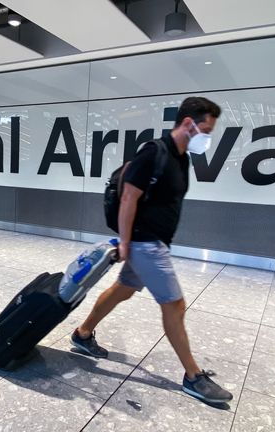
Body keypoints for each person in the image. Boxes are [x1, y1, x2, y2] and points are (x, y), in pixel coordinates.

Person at [71, 97, 233, 404]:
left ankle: (81, 334)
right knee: (175, 305)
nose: (208, 136)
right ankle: (192, 377)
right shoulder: (153, 152)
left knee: (123, 289)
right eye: (206, 129)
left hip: (154, 242)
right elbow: (129, 197)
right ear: (189, 123)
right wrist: (126, 242)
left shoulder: (181, 157)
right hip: (145, 243)